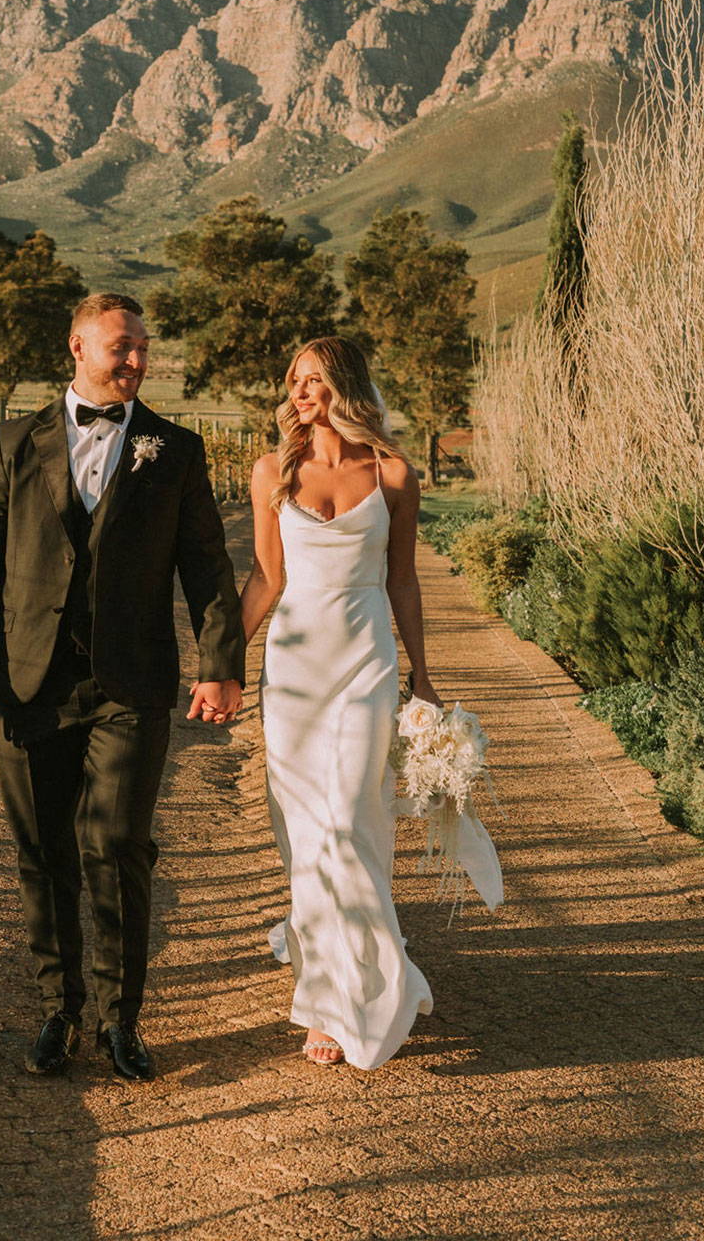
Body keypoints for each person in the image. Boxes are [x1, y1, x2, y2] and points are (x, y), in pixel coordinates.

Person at [0, 291, 245, 1081]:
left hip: (129, 683)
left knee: (117, 847)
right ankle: (57, 1012)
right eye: (121, 347)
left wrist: (220, 664)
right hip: (27, 681)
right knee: (43, 853)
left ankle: (121, 1022)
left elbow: (206, 564)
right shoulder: (15, 440)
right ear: (77, 346)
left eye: (143, 346)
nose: (137, 360)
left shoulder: (174, 449)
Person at [241, 335, 435, 1069]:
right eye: (291, 381)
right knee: (304, 834)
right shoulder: (272, 471)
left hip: (364, 666)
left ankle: (362, 991)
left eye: (312, 379)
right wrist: (219, 663)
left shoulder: (390, 474)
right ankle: (324, 994)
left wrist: (424, 672)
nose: (298, 392)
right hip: (292, 673)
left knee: (350, 819)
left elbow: (404, 580)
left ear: (343, 386)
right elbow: (265, 580)